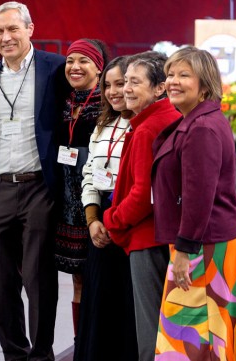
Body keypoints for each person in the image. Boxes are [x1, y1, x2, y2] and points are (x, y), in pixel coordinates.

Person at [0, 1, 70, 360]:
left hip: (39, 187)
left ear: (30, 28)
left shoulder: (56, 69)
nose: (6, 37)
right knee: (1, 283)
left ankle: (41, 354)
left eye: (13, 28)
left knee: (39, 279)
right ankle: (14, 353)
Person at [153, 46, 236, 359]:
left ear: (204, 85)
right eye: (169, 74)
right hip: (208, 243)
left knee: (194, 337)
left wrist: (183, 253)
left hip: (203, 248)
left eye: (183, 75)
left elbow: (198, 198)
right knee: (211, 335)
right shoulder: (199, 120)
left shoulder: (202, 128)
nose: (172, 81)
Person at [102, 51, 181, 361]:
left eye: (135, 82)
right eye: (126, 82)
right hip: (162, 236)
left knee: (150, 330)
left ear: (159, 88)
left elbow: (143, 194)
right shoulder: (163, 118)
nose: (126, 90)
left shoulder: (149, 127)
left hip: (147, 238)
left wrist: (112, 219)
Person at [73, 56, 137, 360]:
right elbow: (89, 176)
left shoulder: (143, 125)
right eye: (108, 85)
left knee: (128, 308)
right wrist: (92, 220)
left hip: (130, 226)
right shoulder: (102, 125)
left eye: (121, 83)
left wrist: (113, 222)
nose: (113, 91)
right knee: (98, 303)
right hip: (99, 225)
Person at [54, 38, 108, 336]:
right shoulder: (64, 100)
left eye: (83, 61)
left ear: (99, 68)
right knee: (77, 279)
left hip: (97, 201)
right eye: (70, 60)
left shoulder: (109, 102)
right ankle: (80, 342)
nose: (75, 67)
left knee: (99, 277)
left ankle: (97, 342)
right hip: (65, 202)